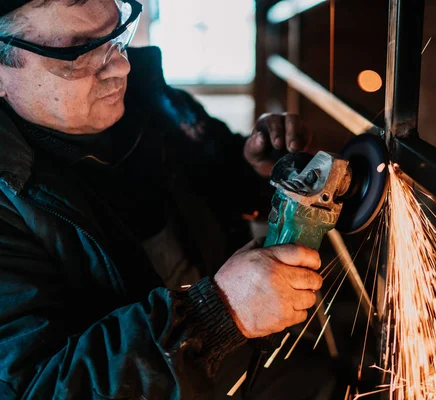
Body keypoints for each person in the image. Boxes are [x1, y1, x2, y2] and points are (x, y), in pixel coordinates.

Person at [0, 0, 334, 398]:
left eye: (117, 36)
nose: (120, 66)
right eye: (78, 52)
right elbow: (40, 387)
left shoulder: (153, 101)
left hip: (256, 364)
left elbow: (217, 180)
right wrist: (216, 315)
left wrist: (259, 172)